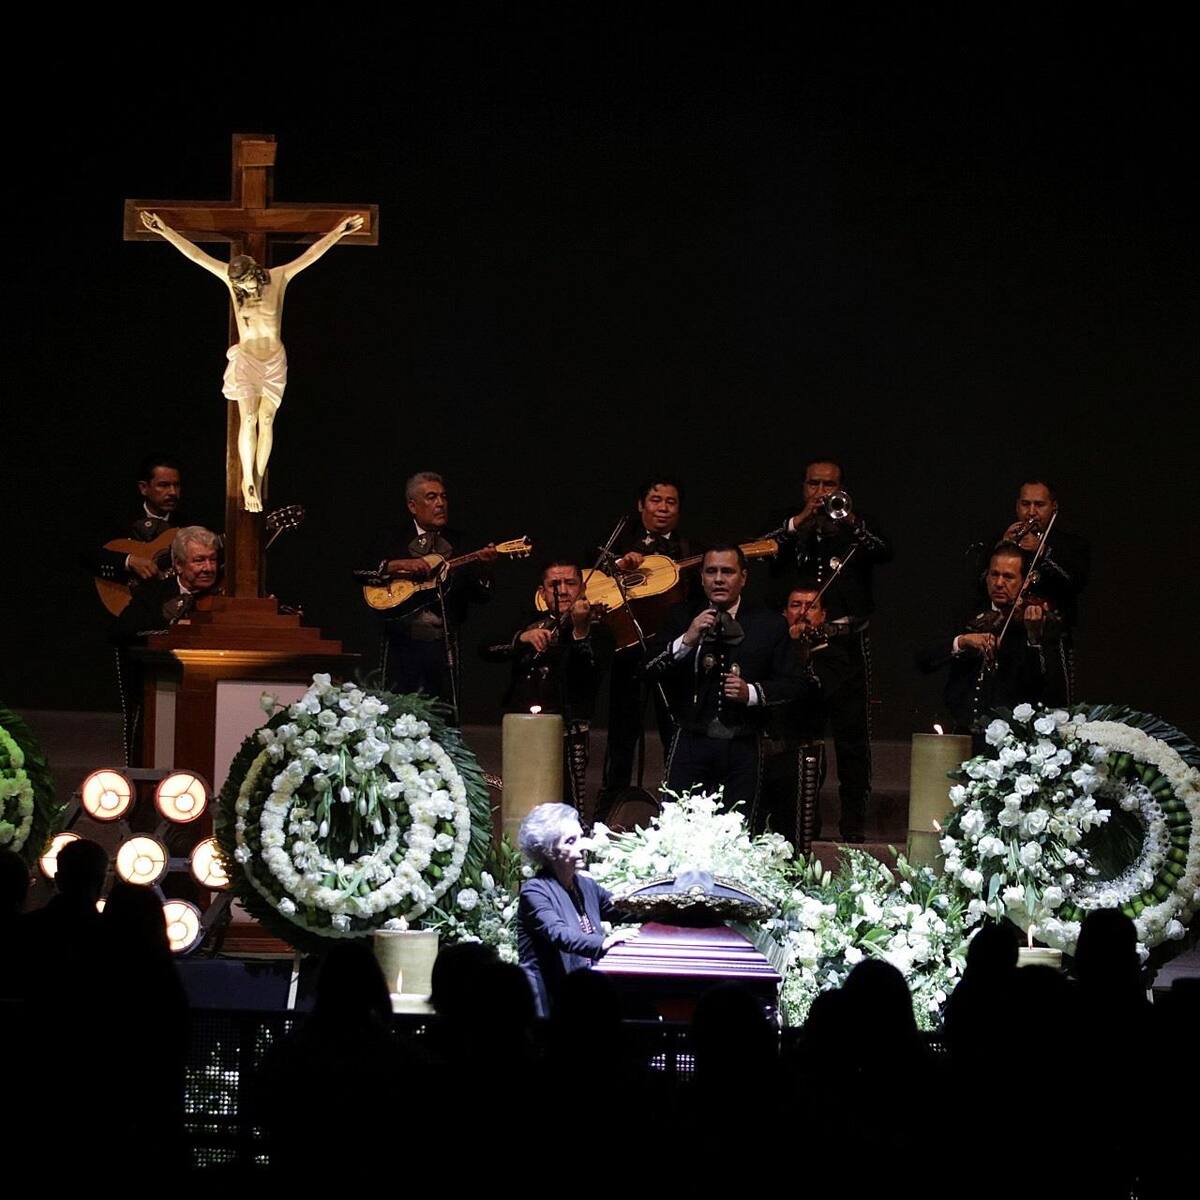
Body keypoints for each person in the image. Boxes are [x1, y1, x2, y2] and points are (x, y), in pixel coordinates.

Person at [139, 210, 365, 511]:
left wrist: (339, 232)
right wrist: (164, 230)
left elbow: (311, 255)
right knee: (248, 418)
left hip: (272, 360)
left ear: (255, 274)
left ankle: (257, 481)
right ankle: (247, 480)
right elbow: (197, 256)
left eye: (246, 284)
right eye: (239, 286)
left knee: (267, 419)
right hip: (247, 359)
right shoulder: (234, 286)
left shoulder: (277, 278)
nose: (244, 290)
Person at [764, 458, 892, 841]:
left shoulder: (856, 526)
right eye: (814, 484)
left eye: (829, 485)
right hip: (795, 642)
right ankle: (803, 821)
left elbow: (885, 550)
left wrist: (849, 520)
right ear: (803, 487)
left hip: (845, 644)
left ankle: (852, 825)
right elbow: (761, 549)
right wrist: (800, 520)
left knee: (853, 738)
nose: (821, 492)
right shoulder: (789, 523)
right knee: (800, 732)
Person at [645, 545, 804, 814]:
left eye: (727, 572)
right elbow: (648, 670)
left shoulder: (769, 624)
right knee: (678, 828)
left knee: (737, 833)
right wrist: (687, 639)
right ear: (702, 577)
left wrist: (751, 693)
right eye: (711, 571)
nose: (718, 579)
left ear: (743, 577)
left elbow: (794, 686)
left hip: (742, 744)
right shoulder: (681, 616)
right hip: (691, 741)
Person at [595, 477, 698, 799]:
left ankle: (680, 802)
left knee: (675, 728)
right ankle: (612, 804)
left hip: (674, 649)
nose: (663, 507)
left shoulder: (689, 549)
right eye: (656, 500)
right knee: (623, 730)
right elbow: (595, 581)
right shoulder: (617, 542)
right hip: (630, 649)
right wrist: (621, 564)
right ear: (641, 505)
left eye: (671, 501)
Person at [363, 472, 497, 718]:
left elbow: (481, 596)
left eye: (443, 497)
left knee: (445, 718)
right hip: (399, 645)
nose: (440, 503)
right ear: (412, 505)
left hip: (443, 647)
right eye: (431, 497)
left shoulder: (461, 542)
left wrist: (485, 569)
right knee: (395, 717)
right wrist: (395, 565)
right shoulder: (391, 538)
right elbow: (359, 572)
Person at [479, 559, 610, 808]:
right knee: (521, 799)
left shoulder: (597, 626)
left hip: (568, 730)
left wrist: (580, 632)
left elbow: (591, 669)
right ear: (542, 592)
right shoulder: (530, 621)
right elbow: (486, 648)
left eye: (570, 583)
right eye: (554, 584)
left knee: (569, 804)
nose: (562, 590)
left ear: (582, 589)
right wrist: (521, 638)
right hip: (524, 727)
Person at [917, 542, 1067, 735]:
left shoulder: (1038, 619)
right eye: (994, 574)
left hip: (1013, 737)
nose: (999, 583)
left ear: (1026, 581)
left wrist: (1033, 637)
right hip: (962, 730)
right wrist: (962, 641)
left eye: (1009, 577)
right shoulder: (967, 613)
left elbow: (1049, 688)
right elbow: (923, 660)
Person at [965, 478, 1090, 699]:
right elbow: (979, 582)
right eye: (1025, 504)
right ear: (1017, 506)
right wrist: (1002, 546)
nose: (1031, 512)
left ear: (1054, 507)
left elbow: (1076, 582)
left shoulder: (1070, 544)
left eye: (1039, 505)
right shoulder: (1000, 539)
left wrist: (1043, 552)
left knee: (1051, 703)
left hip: (1048, 636)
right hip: (1003, 633)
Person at [110, 526, 221, 764]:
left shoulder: (226, 596)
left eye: (212, 560)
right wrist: (167, 622)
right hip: (163, 694)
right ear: (178, 565)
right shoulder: (154, 593)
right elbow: (121, 632)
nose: (208, 568)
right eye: (199, 561)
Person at [517, 802, 636, 1017]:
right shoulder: (535, 891)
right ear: (549, 851)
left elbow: (626, 908)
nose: (583, 846)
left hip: (579, 999)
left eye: (581, 837)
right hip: (546, 1005)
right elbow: (560, 934)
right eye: (571, 841)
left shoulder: (586, 885)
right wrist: (605, 942)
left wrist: (663, 905)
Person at [758, 584, 829, 844]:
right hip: (765, 748)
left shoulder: (831, 654)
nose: (802, 612)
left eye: (811, 606)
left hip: (801, 751)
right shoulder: (771, 648)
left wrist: (803, 650)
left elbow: (820, 695)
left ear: (823, 615)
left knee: (798, 833)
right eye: (795, 605)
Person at [82, 453, 187, 585]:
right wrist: (129, 561)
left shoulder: (187, 525)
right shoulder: (121, 519)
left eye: (176, 485)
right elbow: (90, 553)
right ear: (144, 488)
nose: (172, 492)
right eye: (164, 485)